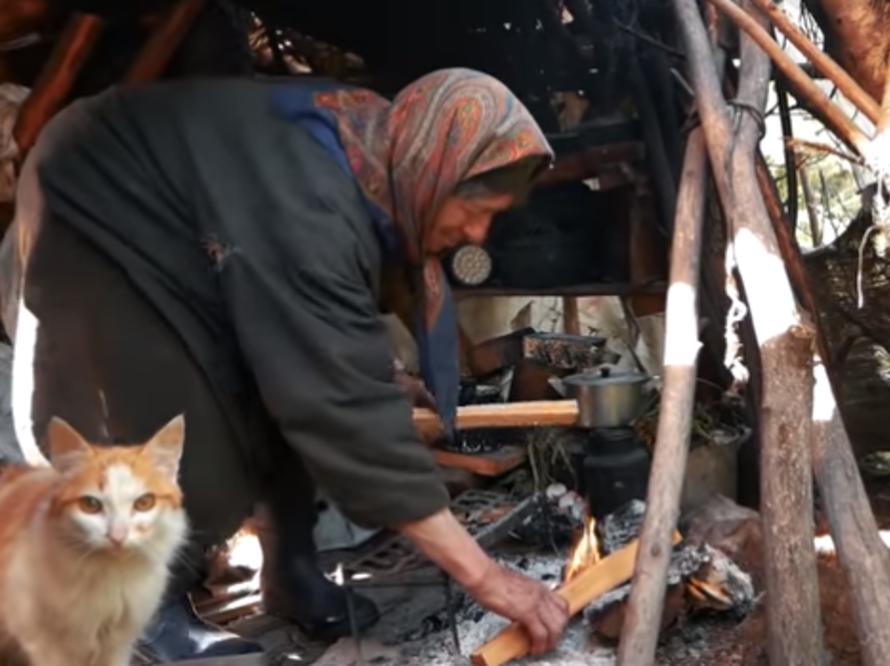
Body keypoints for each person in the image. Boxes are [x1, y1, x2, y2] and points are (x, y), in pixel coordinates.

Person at [0, 68, 570, 661]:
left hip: (187, 216)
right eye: (475, 206)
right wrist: (491, 580)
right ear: (438, 168)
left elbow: (323, 338)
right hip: (100, 196)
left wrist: (382, 378)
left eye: (495, 215)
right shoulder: (316, 201)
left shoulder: (386, 156)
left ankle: (291, 574)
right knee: (183, 437)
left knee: (280, 405)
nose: (478, 232)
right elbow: (341, 407)